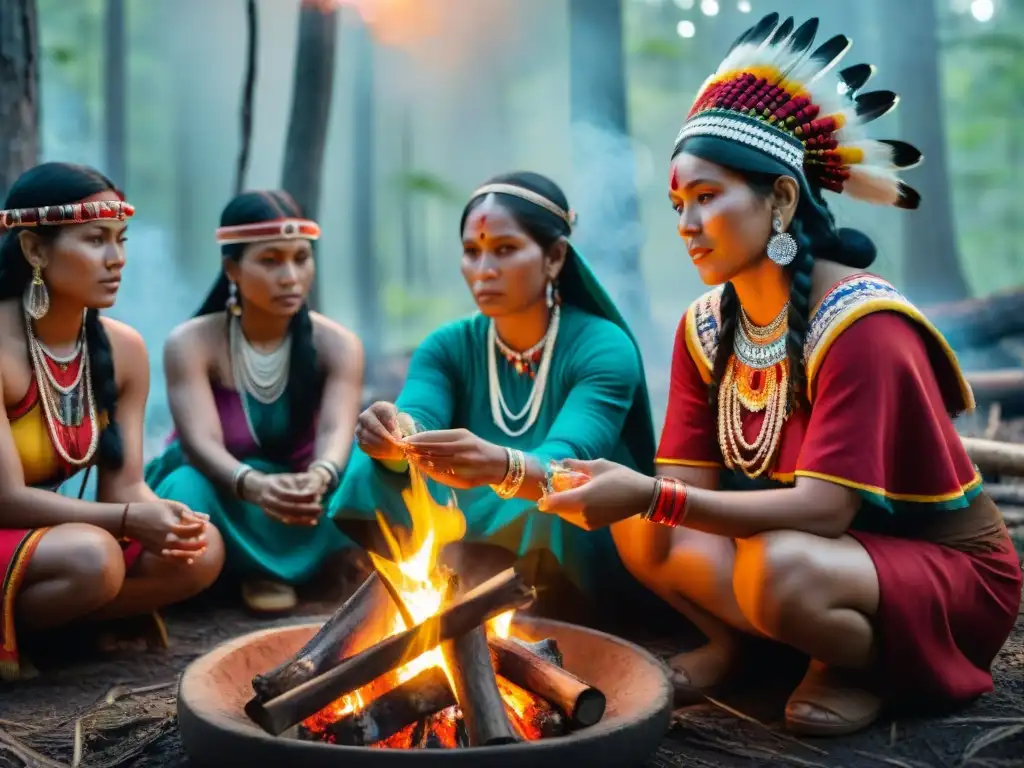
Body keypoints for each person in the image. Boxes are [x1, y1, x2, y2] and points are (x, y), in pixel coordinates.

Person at [538, 13, 1023, 737]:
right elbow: (682, 494)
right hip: (813, 560)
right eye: (678, 204)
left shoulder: (864, 325)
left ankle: (862, 667)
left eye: (706, 197)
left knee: (774, 568)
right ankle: (741, 645)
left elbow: (825, 513)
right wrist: (536, 475)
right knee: (643, 532)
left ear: (783, 200)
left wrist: (650, 493)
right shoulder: (704, 327)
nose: (686, 223)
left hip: (943, 575)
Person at [328, 172, 656, 617]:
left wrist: (502, 467)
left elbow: (571, 464)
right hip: (466, 505)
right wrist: (394, 434)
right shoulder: (448, 345)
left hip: (562, 519)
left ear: (555, 256)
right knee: (371, 470)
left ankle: (535, 606)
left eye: (504, 250)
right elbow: (418, 416)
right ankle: (435, 589)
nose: (484, 270)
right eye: (471, 252)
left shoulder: (602, 346)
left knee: (555, 498)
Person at [0, 162, 224, 680]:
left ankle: (53, 625)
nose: (116, 259)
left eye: (121, 239)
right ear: (34, 249)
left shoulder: (124, 349)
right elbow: (6, 498)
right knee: (95, 558)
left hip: (53, 537)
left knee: (200, 550)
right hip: (24, 528)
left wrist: (162, 517)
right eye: (96, 240)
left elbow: (124, 484)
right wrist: (126, 521)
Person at [145, 190, 362, 614]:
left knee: (371, 467)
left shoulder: (338, 344)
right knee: (184, 489)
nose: (290, 276)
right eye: (270, 260)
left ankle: (301, 566)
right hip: (228, 492)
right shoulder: (190, 343)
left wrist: (319, 476)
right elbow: (200, 443)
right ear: (232, 268)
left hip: (305, 494)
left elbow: (338, 430)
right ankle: (257, 569)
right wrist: (255, 485)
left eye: (301, 258)